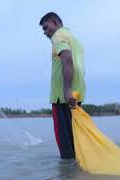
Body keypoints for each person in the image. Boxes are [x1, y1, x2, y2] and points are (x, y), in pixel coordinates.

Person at [39, 12, 85, 159]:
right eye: (43, 30)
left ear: (55, 22)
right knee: (76, 142)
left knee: (65, 146)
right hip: (76, 95)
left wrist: (66, 90)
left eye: (46, 27)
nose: (45, 32)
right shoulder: (74, 39)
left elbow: (68, 60)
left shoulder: (58, 36)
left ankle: (67, 174)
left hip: (63, 96)